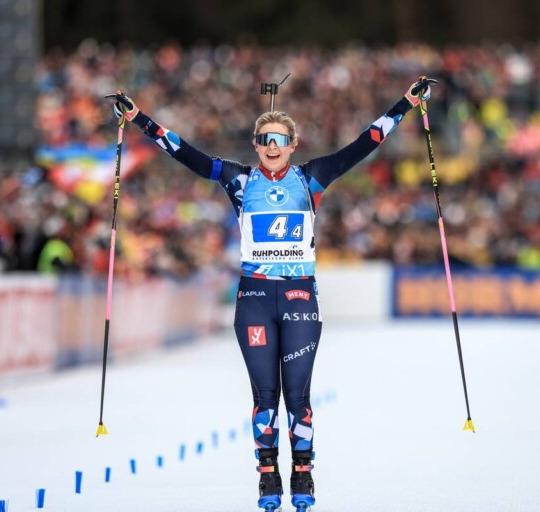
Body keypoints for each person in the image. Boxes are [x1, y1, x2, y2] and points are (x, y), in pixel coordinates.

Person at [111, 77, 431, 512]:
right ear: (256, 145)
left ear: (293, 144)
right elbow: (185, 153)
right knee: (265, 398)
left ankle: (302, 472)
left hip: (300, 298)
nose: (272, 146)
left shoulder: (311, 177)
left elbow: (363, 144)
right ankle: (267, 475)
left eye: (280, 139)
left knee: (297, 397)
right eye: (265, 140)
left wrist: (406, 103)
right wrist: (138, 119)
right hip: (255, 300)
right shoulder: (239, 180)